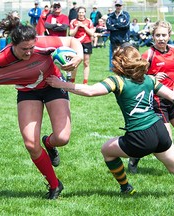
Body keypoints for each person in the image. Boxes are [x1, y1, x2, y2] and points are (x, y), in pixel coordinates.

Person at [0, 23, 84, 199]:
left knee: (63, 138)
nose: (28, 52)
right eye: (24, 49)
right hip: (27, 91)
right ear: (12, 44)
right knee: (31, 144)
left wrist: (79, 56)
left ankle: (49, 143)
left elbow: (72, 41)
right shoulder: (2, 59)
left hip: (53, 84)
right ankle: (54, 185)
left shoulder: (43, 43)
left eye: (31, 48)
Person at [46, 45, 174, 195]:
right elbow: (172, 96)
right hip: (159, 129)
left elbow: (91, 91)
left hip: (140, 135)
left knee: (107, 150)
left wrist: (61, 84)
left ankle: (125, 187)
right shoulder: (149, 79)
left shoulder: (118, 81)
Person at [128, 21, 174, 173]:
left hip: (173, 98)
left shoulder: (173, 51)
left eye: (164, 35)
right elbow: (136, 75)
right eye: (158, 35)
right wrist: (153, 76)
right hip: (158, 101)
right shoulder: (148, 54)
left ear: (169, 35)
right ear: (153, 36)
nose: (161, 38)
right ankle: (135, 156)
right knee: (166, 139)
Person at [69, 6, 94, 84]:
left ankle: (85, 81)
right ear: (77, 13)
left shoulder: (89, 21)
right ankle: (72, 80)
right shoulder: (74, 21)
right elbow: (71, 34)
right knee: (75, 62)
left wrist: (84, 27)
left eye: (83, 12)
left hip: (86, 43)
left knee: (86, 62)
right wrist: (77, 26)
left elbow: (91, 33)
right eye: (80, 12)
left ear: (85, 13)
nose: (81, 14)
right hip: (76, 43)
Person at [106, 0, 130, 70]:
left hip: (124, 40)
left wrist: (115, 25)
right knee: (115, 57)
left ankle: (125, 71)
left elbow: (126, 25)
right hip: (114, 40)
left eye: (120, 5)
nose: (118, 7)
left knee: (125, 56)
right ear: (115, 6)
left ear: (122, 6)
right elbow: (109, 26)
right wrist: (119, 26)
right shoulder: (111, 16)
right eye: (117, 5)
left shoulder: (126, 15)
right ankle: (116, 71)